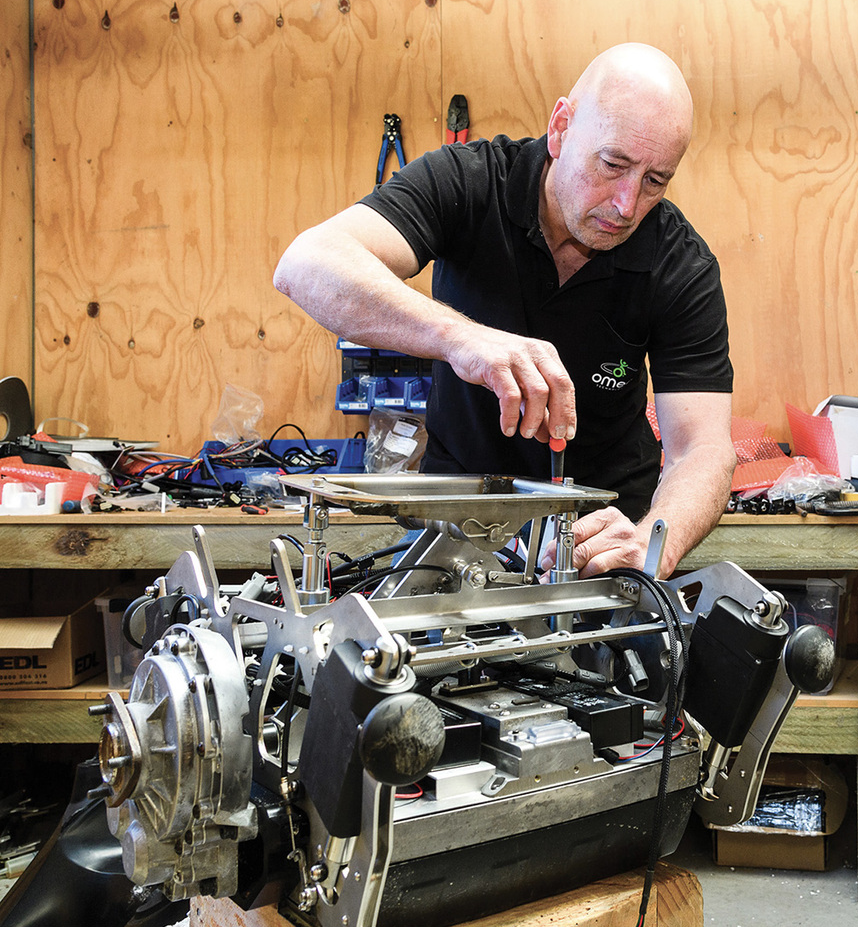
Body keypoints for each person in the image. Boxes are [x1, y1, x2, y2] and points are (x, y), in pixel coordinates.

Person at [274, 43, 736, 579]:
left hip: (602, 548)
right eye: (613, 165)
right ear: (561, 128)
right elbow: (306, 263)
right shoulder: (467, 183)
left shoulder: (681, 262)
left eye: (655, 181)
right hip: (454, 533)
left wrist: (654, 541)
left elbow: (702, 450)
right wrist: (463, 339)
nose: (626, 205)